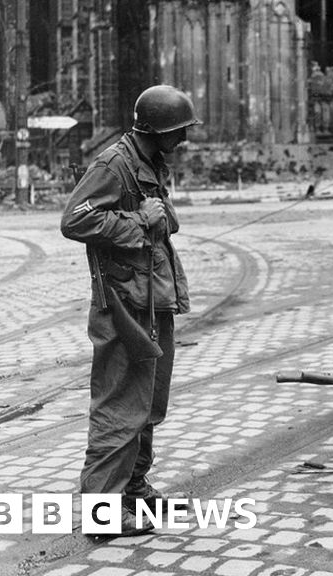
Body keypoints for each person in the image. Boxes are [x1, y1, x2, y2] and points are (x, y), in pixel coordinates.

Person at [60, 85, 199, 536]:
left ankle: (133, 489)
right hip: (122, 304)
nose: (184, 139)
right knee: (120, 404)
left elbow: (165, 221)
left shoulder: (150, 161)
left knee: (149, 402)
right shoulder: (113, 164)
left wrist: (159, 216)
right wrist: (141, 221)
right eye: (179, 131)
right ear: (157, 130)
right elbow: (74, 220)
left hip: (152, 297)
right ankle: (103, 510)